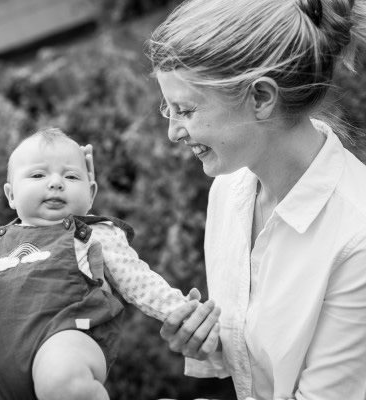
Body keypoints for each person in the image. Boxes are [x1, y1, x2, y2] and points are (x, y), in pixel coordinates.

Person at [148, 0, 366, 399]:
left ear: (261, 97)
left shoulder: (357, 242)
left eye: (185, 110)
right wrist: (209, 344)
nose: (173, 133)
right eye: (168, 108)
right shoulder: (229, 190)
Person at [0, 127, 220, 400]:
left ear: (90, 194)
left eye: (70, 176)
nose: (56, 183)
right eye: (38, 175)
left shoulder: (92, 234)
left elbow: (137, 279)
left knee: (63, 382)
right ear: (10, 195)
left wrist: (180, 310)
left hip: (65, 339)